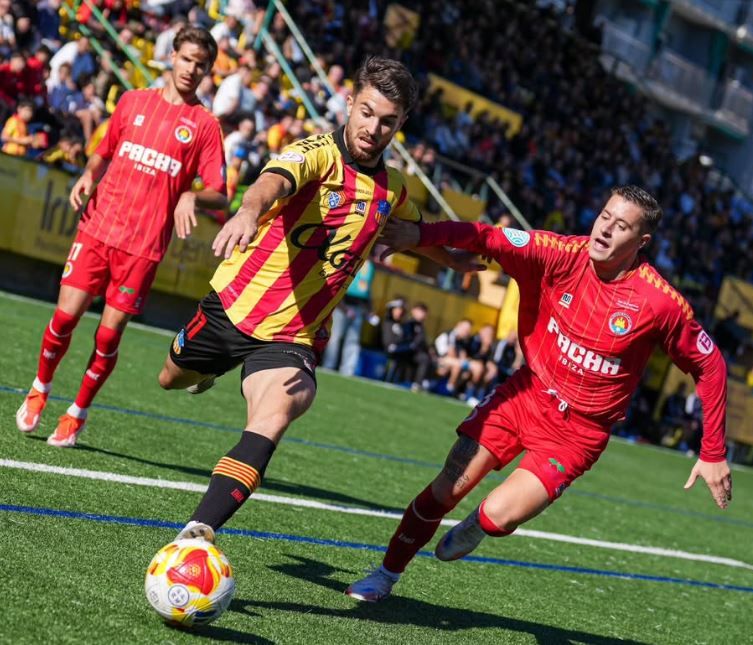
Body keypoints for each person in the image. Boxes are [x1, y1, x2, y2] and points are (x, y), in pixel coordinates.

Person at [345, 185, 732, 602]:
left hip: (578, 433)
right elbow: (487, 236)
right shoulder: (557, 252)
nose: (605, 230)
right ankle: (385, 575)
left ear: (641, 243)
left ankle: (478, 525)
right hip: (525, 394)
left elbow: (710, 365)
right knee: (446, 489)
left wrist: (712, 452)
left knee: (498, 516)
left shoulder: (660, 304)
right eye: (604, 216)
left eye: (621, 227)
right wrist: (420, 238)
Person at [154, 57, 479, 546]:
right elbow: (271, 183)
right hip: (234, 309)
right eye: (366, 112)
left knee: (281, 408)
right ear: (349, 104)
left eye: (387, 121)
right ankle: (209, 370)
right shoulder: (315, 153)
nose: (373, 128)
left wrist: (448, 259)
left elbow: (411, 229)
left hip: (294, 335)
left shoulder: (391, 189)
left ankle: (196, 533)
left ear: (401, 124)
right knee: (169, 379)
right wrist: (247, 212)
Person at [15, 27, 227, 447]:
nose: (192, 69)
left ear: (207, 70)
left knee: (108, 336)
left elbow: (219, 191)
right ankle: (40, 387)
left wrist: (190, 195)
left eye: (201, 64)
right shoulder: (133, 103)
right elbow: (103, 150)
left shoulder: (204, 126)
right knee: (64, 318)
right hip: (98, 227)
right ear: (171, 57)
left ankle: (77, 411)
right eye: (186, 59)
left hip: (143, 246)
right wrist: (89, 174)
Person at [322, 258, 375, 376]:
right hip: (343, 305)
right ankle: (329, 365)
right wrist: (342, 306)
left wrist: (370, 309)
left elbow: (367, 289)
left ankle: (348, 370)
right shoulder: (351, 260)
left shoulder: (369, 266)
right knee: (335, 337)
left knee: (353, 340)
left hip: (358, 308)